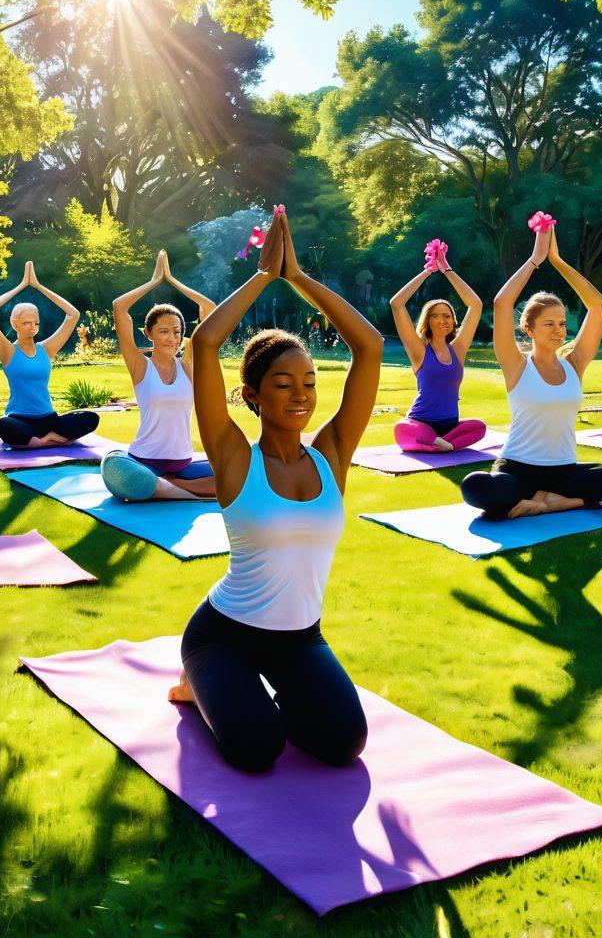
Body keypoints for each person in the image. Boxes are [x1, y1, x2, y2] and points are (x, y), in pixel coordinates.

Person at [167, 210, 383, 773]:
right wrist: (265, 276)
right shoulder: (236, 457)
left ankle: (256, 693)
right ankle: (199, 682)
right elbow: (206, 343)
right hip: (224, 635)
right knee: (256, 750)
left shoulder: (331, 455)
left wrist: (299, 275)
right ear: (254, 395)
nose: (301, 395)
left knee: (342, 743)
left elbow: (370, 345)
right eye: (283, 384)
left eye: (309, 383)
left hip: (299, 638)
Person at [460, 222, 602, 519]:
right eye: (549, 324)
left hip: (564, 471)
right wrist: (536, 259)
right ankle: (567, 501)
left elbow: (597, 305)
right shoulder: (517, 364)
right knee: (476, 487)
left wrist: (558, 261)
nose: (559, 330)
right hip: (517, 469)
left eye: (561, 323)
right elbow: (502, 302)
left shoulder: (574, 362)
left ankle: (547, 503)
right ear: (529, 329)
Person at [101, 250, 216, 501]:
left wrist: (172, 280)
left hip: (182, 463)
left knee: (233, 471)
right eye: (164, 331)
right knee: (114, 466)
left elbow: (209, 308)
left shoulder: (187, 364)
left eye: (176, 331)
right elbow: (119, 308)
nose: (172, 338)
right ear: (149, 334)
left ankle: (166, 487)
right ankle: (168, 487)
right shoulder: (140, 365)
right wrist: (155, 281)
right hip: (144, 461)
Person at [0, 261, 98, 448]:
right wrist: (21, 286)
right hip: (20, 420)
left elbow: (73, 315)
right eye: (27, 323)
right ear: (15, 324)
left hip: (49, 419)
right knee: (3, 425)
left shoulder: (46, 349)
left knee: (91, 418)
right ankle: (51, 440)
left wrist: (38, 286)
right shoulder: (7, 351)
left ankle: (40, 441)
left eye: (36, 323)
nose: (33, 327)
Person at [389, 245, 486, 452]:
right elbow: (397, 304)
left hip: (450, 424)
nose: (443, 320)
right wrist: (428, 271)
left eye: (447, 315)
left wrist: (447, 269)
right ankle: (437, 442)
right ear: (427, 321)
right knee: (403, 428)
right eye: (435, 316)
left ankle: (441, 444)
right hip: (421, 422)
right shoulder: (419, 350)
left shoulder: (458, 349)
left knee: (479, 427)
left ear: (453, 321)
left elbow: (475, 305)